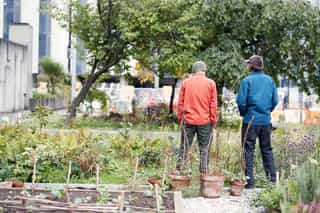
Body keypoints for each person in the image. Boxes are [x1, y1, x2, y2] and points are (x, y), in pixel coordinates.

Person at [236, 55, 278, 189]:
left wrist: (244, 113)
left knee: (248, 150)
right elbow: (275, 100)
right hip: (265, 121)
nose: (247, 66)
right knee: (267, 150)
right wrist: (266, 111)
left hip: (250, 120)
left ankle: (249, 183)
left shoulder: (246, 81)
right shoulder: (270, 81)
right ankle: (271, 182)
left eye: (248, 64)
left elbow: (241, 101)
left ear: (252, 66)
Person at [177, 61, 218, 174]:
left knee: (185, 146)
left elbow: (180, 102)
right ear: (204, 71)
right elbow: (213, 104)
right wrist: (213, 120)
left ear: (193, 71)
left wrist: (180, 117)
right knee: (204, 148)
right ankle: (204, 173)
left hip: (188, 120)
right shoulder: (211, 83)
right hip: (205, 121)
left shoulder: (186, 83)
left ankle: (181, 172)